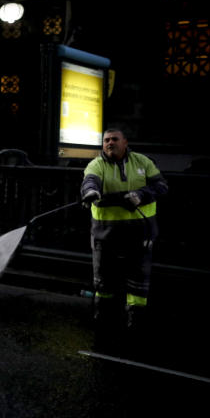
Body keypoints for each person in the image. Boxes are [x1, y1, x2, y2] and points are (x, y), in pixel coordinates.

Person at [80, 128, 168, 333]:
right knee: (103, 281)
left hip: (139, 234)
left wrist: (141, 195)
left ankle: (135, 322)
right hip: (106, 235)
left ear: (125, 142)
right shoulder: (96, 164)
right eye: (106, 140)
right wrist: (90, 191)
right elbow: (90, 180)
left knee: (138, 281)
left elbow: (161, 186)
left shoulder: (143, 162)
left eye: (114, 139)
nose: (110, 143)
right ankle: (102, 320)